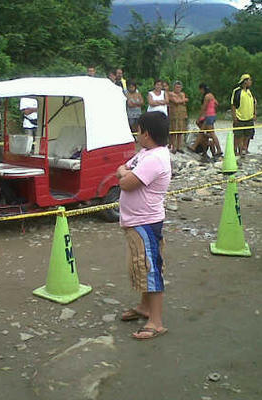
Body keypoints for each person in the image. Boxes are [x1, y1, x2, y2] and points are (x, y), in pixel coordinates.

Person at [117, 111, 171, 340]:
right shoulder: (146, 153)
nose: (136, 133)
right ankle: (144, 307)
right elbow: (121, 169)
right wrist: (124, 173)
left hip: (145, 222)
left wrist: (125, 174)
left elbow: (126, 182)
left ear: (146, 133)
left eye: (138, 130)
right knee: (140, 265)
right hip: (136, 221)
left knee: (150, 268)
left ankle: (156, 322)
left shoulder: (155, 158)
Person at [189, 83, 222, 162]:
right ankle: (194, 147)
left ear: (202, 89)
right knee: (201, 132)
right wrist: (213, 109)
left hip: (209, 116)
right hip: (212, 115)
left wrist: (199, 117)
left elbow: (204, 107)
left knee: (212, 133)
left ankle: (219, 149)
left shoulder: (207, 96)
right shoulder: (211, 95)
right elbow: (217, 103)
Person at [231, 74, 257, 156]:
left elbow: (254, 102)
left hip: (249, 118)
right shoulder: (237, 91)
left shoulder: (249, 92)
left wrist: (254, 113)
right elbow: (233, 105)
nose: (251, 82)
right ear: (245, 81)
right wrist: (234, 117)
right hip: (240, 117)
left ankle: (244, 149)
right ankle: (235, 151)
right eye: (249, 80)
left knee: (248, 135)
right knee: (238, 135)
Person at [168, 81, 189, 153]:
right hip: (174, 115)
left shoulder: (182, 93)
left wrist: (180, 100)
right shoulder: (170, 94)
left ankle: (179, 147)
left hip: (182, 115)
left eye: (179, 87)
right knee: (174, 131)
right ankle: (173, 147)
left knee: (180, 131)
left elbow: (182, 100)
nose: (178, 89)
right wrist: (183, 100)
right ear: (173, 87)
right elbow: (175, 101)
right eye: (176, 87)